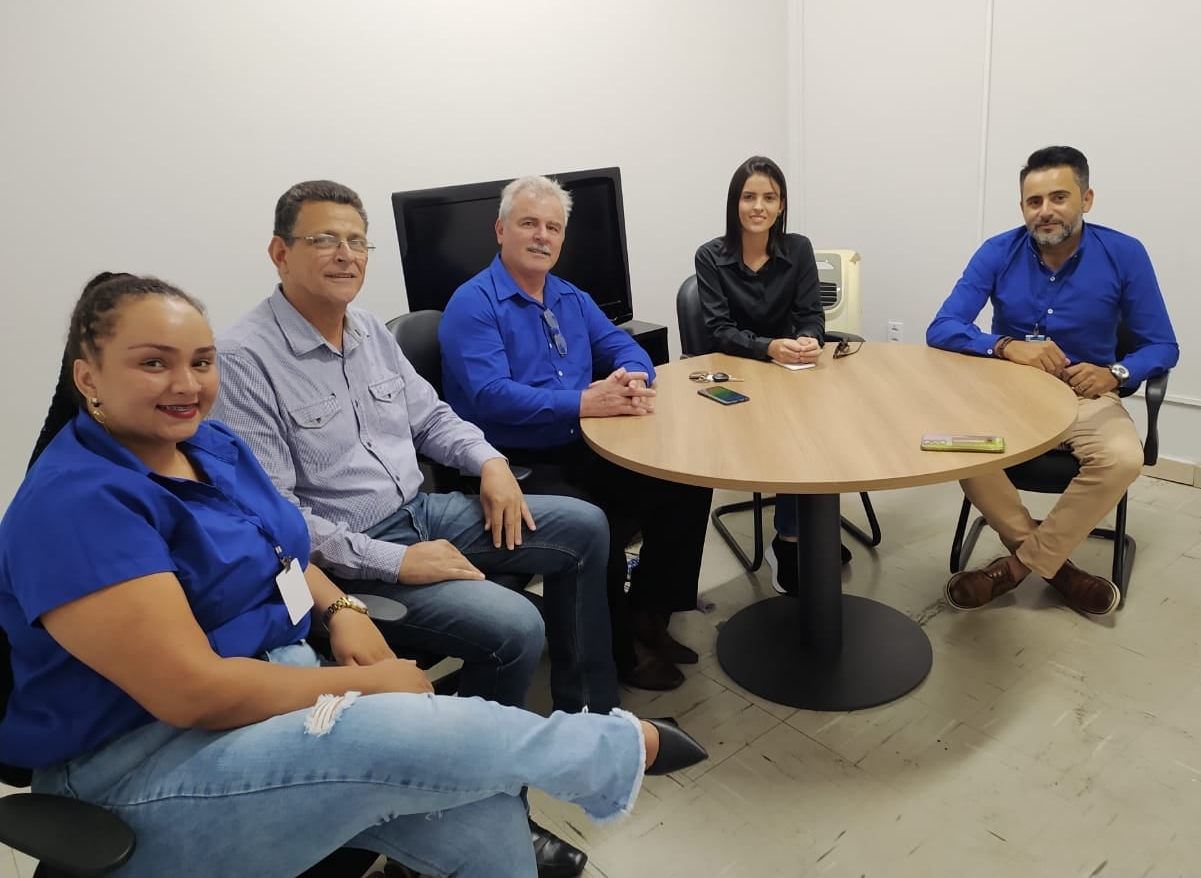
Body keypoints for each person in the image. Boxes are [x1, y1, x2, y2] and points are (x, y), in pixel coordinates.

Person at [0, 272, 707, 878]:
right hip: (142, 767)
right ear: (87, 376)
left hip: (274, 690)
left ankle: (548, 762)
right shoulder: (77, 505)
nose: (187, 384)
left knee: (485, 815)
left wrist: (344, 612)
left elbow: (284, 551)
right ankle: (597, 751)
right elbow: (192, 692)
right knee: (394, 727)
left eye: (202, 362)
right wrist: (365, 682)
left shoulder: (207, 443)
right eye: (154, 364)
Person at [209, 181, 616, 876]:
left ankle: (578, 725)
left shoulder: (367, 329)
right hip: (347, 562)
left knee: (584, 525)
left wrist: (488, 462)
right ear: (280, 253)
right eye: (324, 240)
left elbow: (431, 418)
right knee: (514, 627)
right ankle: (474, 805)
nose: (346, 255)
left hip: (423, 511)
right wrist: (399, 565)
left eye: (357, 241)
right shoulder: (243, 362)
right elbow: (276, 519)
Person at [438, 175, 713, 692]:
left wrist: (634, 375)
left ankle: (647, 614)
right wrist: (585, 401)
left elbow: (624, 346)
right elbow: (489, 396)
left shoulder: (570, 296)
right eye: (529, 224)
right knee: (597, 523)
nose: (542, 236)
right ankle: (618, 657)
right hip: (514, 463)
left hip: (586, 444)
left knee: (687, 480)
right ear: (500, 230)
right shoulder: (472, 304)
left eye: (553, 227)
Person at [926, 145, 1179, 616]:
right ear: (1023, 207)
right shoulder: (997, 251)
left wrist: (1116, 372)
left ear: (1087, 199)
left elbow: (1163, 345)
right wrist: (1003, 346)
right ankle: (1056, 569)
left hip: (1087, 397)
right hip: (1009, 395)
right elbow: (942, 327)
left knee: (1124, 458)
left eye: (1059, 197)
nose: (1046, 212)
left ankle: (1013, 569)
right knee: (956, 444)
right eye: (1034, 201)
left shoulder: (1124, 253)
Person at [694, 155, 854, 595]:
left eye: (769, 197)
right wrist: (768, 346)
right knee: (793, 437)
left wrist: (807, 339)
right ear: (735, 203)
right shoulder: (711, 256)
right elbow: (719, 331)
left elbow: (811, 315)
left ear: (782, 205)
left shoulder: (798, 249)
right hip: (739, 375)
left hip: (792, 373)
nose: (758, 206)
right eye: (749, 197)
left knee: (824, 424)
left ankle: (807, 528)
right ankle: (790, 542)